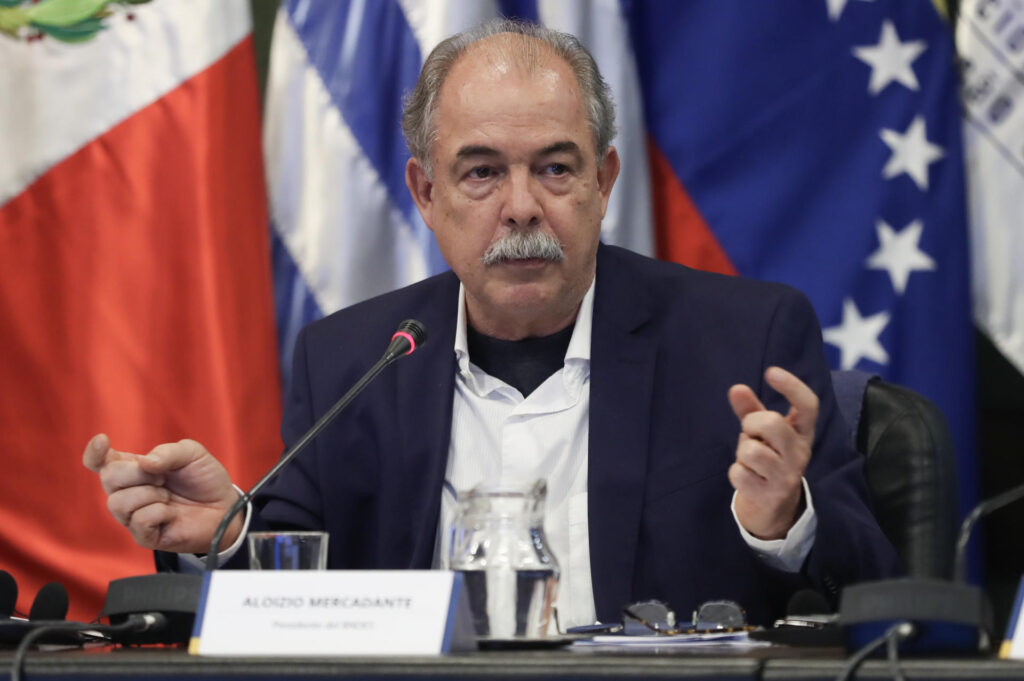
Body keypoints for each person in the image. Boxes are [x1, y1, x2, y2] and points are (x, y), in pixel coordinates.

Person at [83, 20, 899, 628]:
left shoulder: (742, 342)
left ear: (604, 182)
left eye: (555, 168)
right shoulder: (350, 360)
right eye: (481, 172)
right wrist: (226, 535)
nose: (521, 207)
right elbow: (297, 597)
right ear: (425, 193)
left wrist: (783, 521)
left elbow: (880, 596)